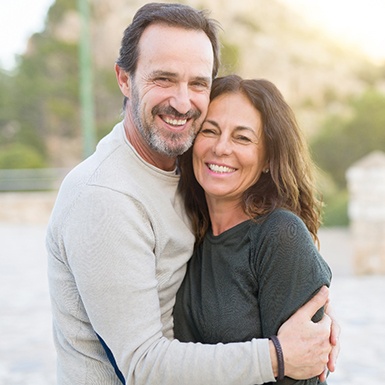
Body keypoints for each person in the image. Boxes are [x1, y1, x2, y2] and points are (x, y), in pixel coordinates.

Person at [46, 3, 338, 385]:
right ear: (123, 79)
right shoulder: (105, 196)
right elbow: (144, 365)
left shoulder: (183, 172)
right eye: (163, 79)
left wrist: (312, 324)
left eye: (198, 83)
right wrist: (279, 356)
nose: (183, 102)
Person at [174, 75, 333, 384]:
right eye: (210, 130)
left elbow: (306, 373)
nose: (221, 148)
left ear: (267, 159)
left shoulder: (280, 236)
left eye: (242, 138)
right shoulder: (185, 228)